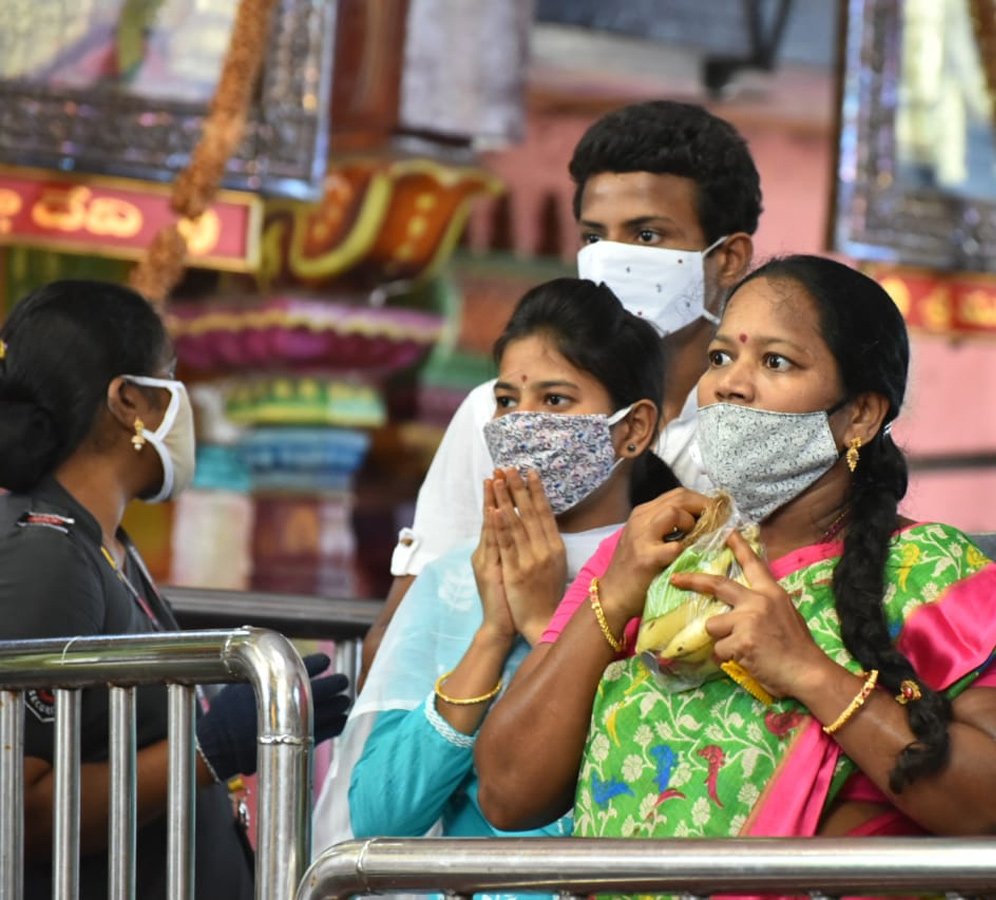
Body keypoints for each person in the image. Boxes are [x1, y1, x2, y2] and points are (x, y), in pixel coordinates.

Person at [474, 256, 996, 849]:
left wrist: (807, 671)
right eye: (721, 357)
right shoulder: (647, 553)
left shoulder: (934, 575)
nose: (730, 385)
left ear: (861, 416)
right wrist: (612, 596)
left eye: (775, 361)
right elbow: (508, 794)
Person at [360, 100, 761, 679]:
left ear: (727, 259)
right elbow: (401, 638)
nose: (613, 261)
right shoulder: (495, 419)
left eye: (646, 235)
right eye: (595, 237)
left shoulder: (756, 435)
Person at [0, 281, 351, 900]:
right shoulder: (48, 556)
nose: (188, 405)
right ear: (130, 399)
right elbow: (16, 811)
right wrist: (208, 752)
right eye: (172, 376)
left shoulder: (108, 547)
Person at [311, 279, 671, 859]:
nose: (520, 425)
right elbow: (380, 814)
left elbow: (642, 786)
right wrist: (492, 634)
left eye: (555, 401)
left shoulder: (667, 570)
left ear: (632, 429)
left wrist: (547, 626)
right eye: (507, 401)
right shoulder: (455, 580)